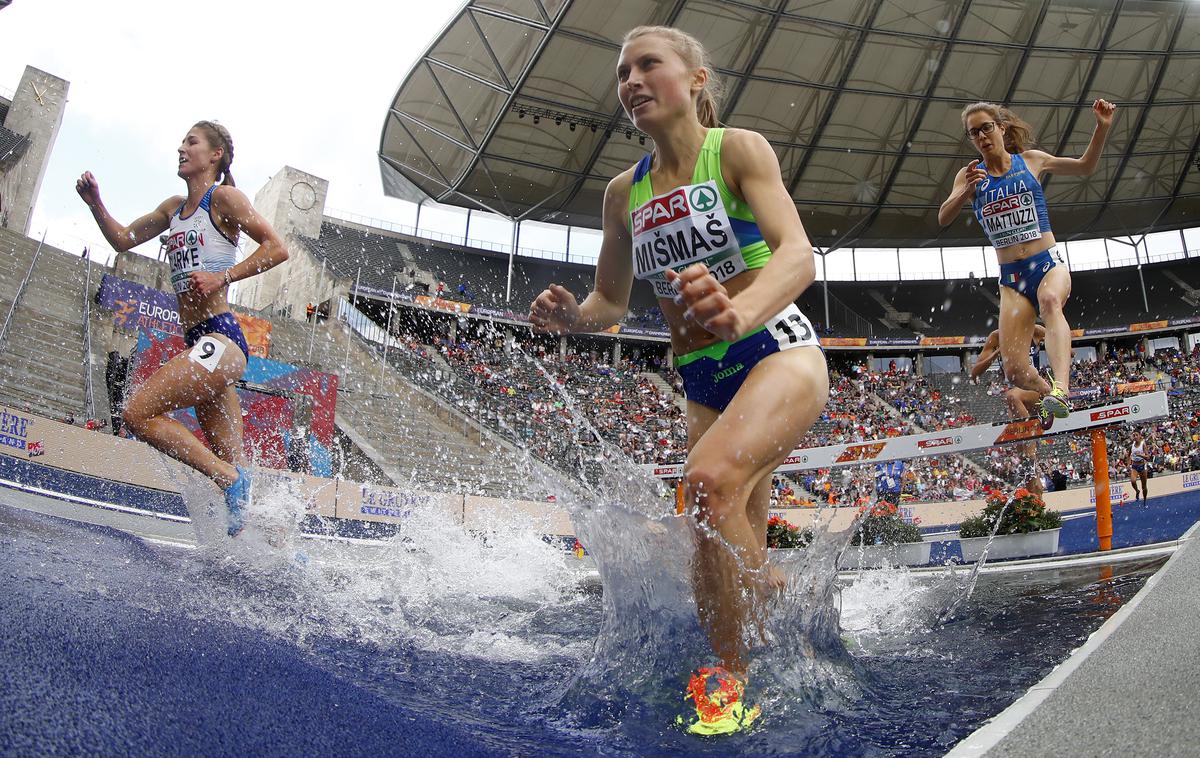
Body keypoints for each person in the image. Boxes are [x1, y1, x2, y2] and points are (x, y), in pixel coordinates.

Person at [528, 25, 828, 735]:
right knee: (721, 536)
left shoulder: (739, 151)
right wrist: (575, 315)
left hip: (776, 350)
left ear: (695, 79)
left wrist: (741, 309)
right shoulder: (620, 194)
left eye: (648, 65)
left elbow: (798, 256)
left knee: (706, 486)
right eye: (622, 72)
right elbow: (613, 303)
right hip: (702, 381)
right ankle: (785, 615)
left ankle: (731, 680)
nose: (631, 80)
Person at [76, 121, 289, 536]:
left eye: (191, 142)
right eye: (181, 141)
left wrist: (222, 277)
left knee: (137, 413)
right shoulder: (172, 209)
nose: (180, 147)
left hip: (222, 338)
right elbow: (122, 239)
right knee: (233, 460)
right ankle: (278, 547)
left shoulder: (222, 199)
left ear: (215, 156)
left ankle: (229, 481)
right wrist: (95, 203)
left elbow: (277, 248)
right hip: (199, 341)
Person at [939, 99, 1115, 426]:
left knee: (1050, 301)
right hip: (1011, 278)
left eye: (986, 128)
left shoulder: (1031, 161)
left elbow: (1085, 166)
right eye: (974, 133)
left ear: (1002, 128)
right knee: (1015, 370)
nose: (982, 137)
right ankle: (1048, 395)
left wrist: (1101, 127)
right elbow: (943, 216)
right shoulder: (969, 175)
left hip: (1047, 263)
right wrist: (965, 193)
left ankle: (1062, 389)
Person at [971, 326, 1047, 492]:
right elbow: (974, 372)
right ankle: (1035, 494)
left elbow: (1057, 337)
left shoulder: (1033, 331)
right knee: (1026, 466)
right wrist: (997, 353)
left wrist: (1068, 352)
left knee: (1012, 396)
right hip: (1017, 404)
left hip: (1035, 392)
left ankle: (1031, 451)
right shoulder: (996, 338)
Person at [1128, 429, 1150, 502]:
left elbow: (1148, 457)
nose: (1135, 436)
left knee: (1144, 486)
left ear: (1140, 436)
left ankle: (1144, 500)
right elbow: (1128, 455)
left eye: (1137, 435)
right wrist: (1128, 464)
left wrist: (1141, 455)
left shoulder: (1143, 444)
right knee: (1133, 481)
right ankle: (1137, 491)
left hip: (1142, 466)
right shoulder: (1132, 445)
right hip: (1134, 465)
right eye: (1134, 435)